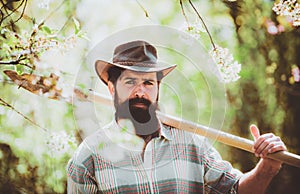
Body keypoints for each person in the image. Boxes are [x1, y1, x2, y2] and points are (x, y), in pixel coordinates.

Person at [67, 40, 287, 193]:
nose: (140, 92)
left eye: (148, 83)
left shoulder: (191, 143)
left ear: (158, 88)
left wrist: (266, 168)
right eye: (130, 82)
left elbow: (235, 190)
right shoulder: (89, 156)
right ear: (111, 89)